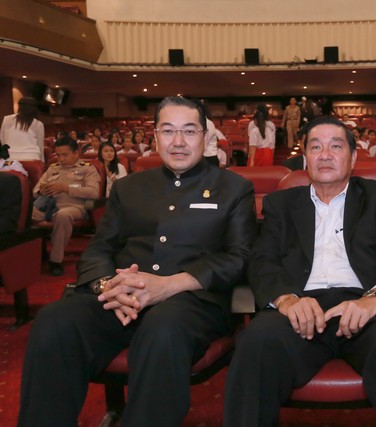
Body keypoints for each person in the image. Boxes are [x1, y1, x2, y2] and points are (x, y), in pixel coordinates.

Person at [18, 96, 257, 426]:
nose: (178, 141)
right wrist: (108, 287)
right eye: (168, 131)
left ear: (205, 136)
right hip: (121, 298)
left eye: (189, 131)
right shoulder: (129, 187)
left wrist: (169, 285)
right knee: (55, 321)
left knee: (162, 329)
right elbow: (99, 249)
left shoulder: (233, 188)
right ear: (155, 137)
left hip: (192, 303)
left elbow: (240, 257)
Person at [224, 116, 376, 427]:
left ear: (353, 158)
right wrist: (286, 300)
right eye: (315, 147)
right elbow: (262, 260)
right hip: (300, 307)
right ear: (305, 158)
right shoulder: (281, 204)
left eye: (335, 147)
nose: (324, 155)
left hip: (364, 308)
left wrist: (375, 299)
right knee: (255, 343)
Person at [31, 136, 100, 276]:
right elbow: (35, 191)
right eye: (58, 155)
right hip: (48, 206)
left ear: (76, 153)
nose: (61, 159)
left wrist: (66, 188)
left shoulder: (88, 169)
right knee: (21, 213)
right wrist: (41, 191)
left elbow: (94, 193)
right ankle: (27, 257)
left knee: (63, 215)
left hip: (74, 207)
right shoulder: (52, 169)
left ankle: (55, 261)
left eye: (65, 155)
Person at [0, 97, 45, 161]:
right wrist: (42, 162)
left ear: (19, 107)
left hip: (10, 158)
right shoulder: (38, 124)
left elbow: (2, 139)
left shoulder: (7, 119)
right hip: (31, 158)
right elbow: (40, 146)